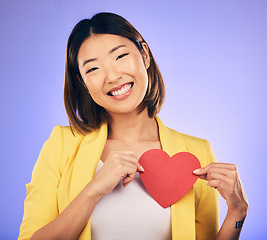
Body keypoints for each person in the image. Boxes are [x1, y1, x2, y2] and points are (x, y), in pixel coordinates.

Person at [18, 12, 248, 240]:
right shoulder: (61, 144)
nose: (112, 76)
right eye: (92, 69)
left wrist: (237, 212)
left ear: (145, 55)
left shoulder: (196, 152)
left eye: (119, 57)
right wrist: (95, 189)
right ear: (82, 82)